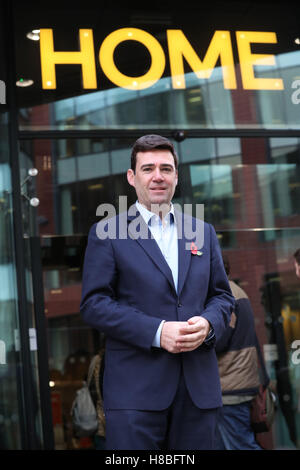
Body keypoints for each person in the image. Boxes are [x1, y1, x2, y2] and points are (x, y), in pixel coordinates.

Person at [80, 134, 234, 450]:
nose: (158, 176)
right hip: (135, 394)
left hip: (197, 391)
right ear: (131, 177)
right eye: (148, 168)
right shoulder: (108, 232)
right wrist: (157, 331)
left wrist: (207, 325)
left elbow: (221, 295)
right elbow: (94, 304)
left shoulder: (201, 231)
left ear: (177, 176)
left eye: (166, 168)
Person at [214, 255, 262, 450]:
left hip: (230, 387)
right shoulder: (236, 291)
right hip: (238, 383)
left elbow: (218, 341)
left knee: (240, 445)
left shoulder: (225, 296)